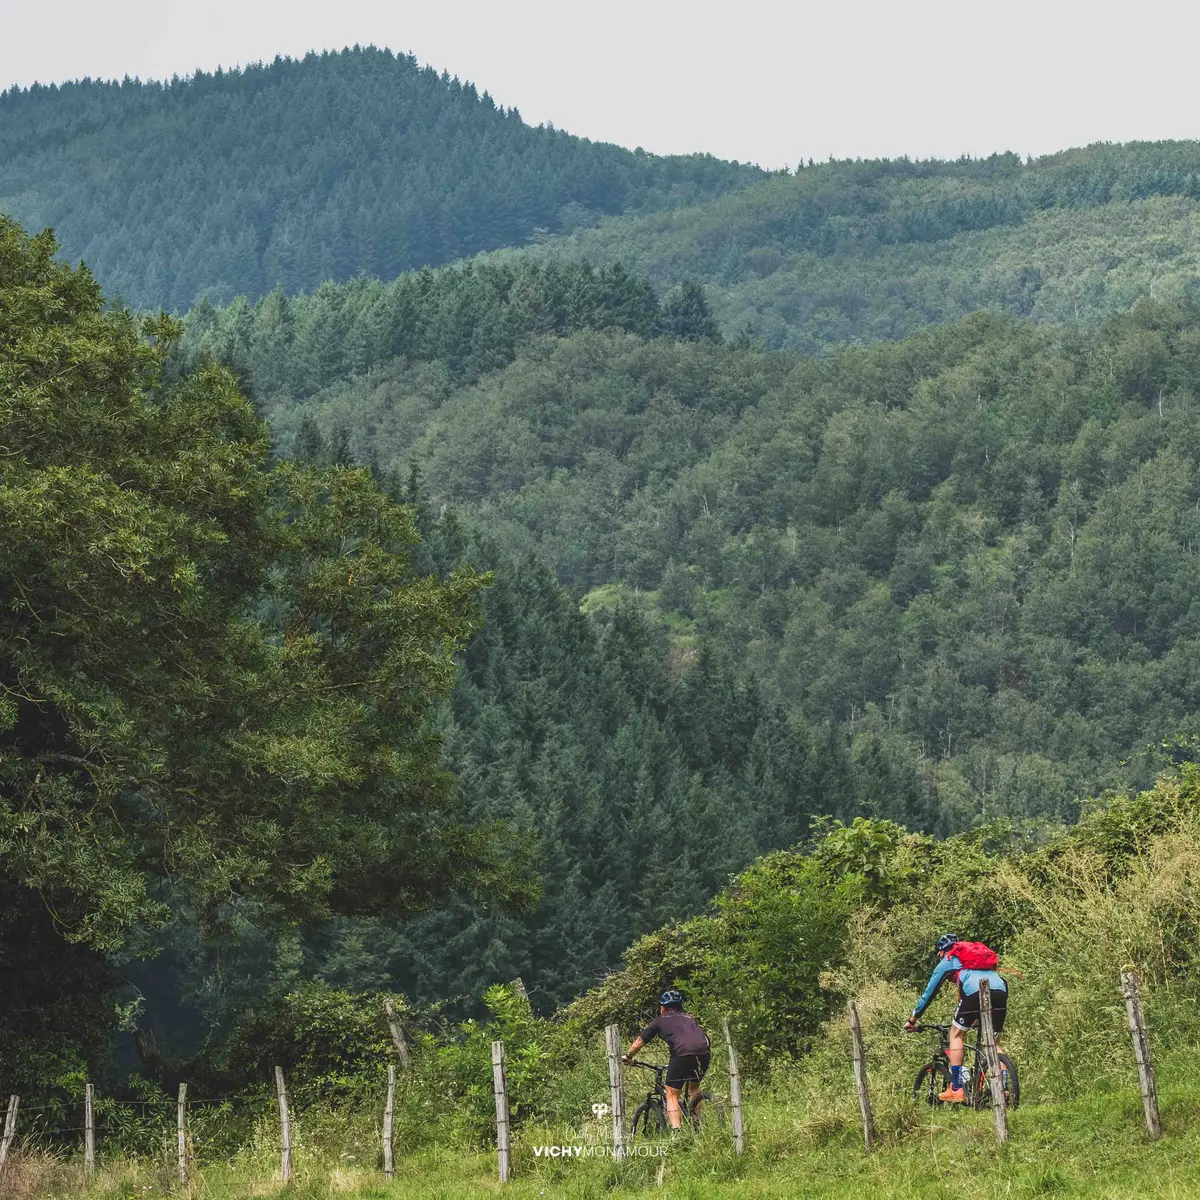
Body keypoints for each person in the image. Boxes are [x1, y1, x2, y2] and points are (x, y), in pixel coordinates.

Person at [904, 933, 1008, 1103]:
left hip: (975, 991)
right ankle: (1003, 1088)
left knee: (955, 1034)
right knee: (994, 1042)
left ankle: (957, 1088)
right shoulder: (973, 959)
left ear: (941, 951)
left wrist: (913, 1019)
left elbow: (929, 993)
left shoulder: (948, 960)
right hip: (1000, 988)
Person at [623, 989, 710, 1128]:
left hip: (681, 1053)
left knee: (671, 1093)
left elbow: (639, 1042)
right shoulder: (689, 1018)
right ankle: (696, 1123)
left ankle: (676, 1130)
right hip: (704, 1052)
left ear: (662, 1008)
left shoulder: (659, 1021)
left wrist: (628, 1057)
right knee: (694, 1087)